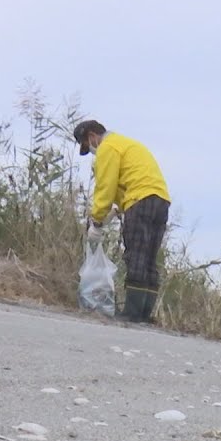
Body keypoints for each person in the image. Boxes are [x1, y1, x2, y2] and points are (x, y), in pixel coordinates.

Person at [74, 120, 171, 324]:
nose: (91, 150)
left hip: (140, 199)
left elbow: (105, 187)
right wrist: (117, 209)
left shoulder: (107, 147)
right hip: (160, 200)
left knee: (135, 254)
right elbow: (126, 183)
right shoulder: (126, 144)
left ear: (92, 136)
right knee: (149, 258)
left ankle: (132, 313)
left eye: (87, 145)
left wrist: (97, 221)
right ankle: (145, 313)